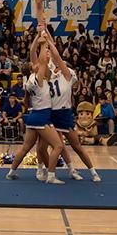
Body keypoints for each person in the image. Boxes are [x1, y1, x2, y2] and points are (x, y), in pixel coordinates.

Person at [6, 31, 69, 185]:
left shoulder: (30, 80)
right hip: (41, 117)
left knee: (26, 147)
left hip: (34, 115)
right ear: (33, 69)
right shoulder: (39, 77)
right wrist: (44, 43)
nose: (36, 63)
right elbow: (40, 59)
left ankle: (11, 172)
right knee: (59, 145)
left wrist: (37, 39)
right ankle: (51, 176)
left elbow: (31, 53)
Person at [42, 32, 101, 182]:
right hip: (50, 113)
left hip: (64, 113)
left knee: (76, 146)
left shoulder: (69, 76)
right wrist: (45, 35)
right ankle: (56, 172)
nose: (60, 66)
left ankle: (93, 172)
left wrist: (49, 40)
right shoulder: (50, 74)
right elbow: (45, 59)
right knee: (54, 146)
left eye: (62, 65)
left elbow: (57, 57)